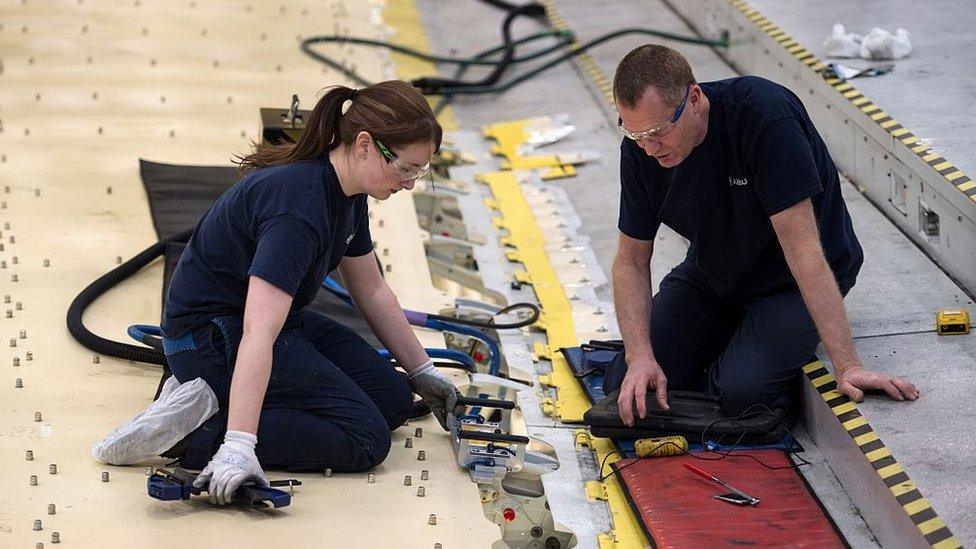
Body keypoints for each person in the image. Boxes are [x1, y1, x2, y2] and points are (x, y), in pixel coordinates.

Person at [95, 80, 462, 505]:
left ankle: (223, 403)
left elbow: (372, 288)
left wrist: (421, 372)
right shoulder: (298, 208)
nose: (411, 183)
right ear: (364, 144)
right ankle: (196, 431)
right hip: (210, 338)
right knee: (365, 438)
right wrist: (239, 444)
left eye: (420, 170)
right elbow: (257, 332)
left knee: (393, 399)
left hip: (267, 323)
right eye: (406, 168)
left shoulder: (349, 192)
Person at [604, 45, 918, 427]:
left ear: (696, 99)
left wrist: (848, 365)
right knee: (628, 384)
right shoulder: (640, 148)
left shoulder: (763, 117)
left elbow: (803, 250)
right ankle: (729, 335)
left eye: (658, 132)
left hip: (788, 280)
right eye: (635, 133)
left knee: (742, 395)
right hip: (715, 267)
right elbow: (631, 260)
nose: (649, 149)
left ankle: (753, 338)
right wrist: (640, 357)